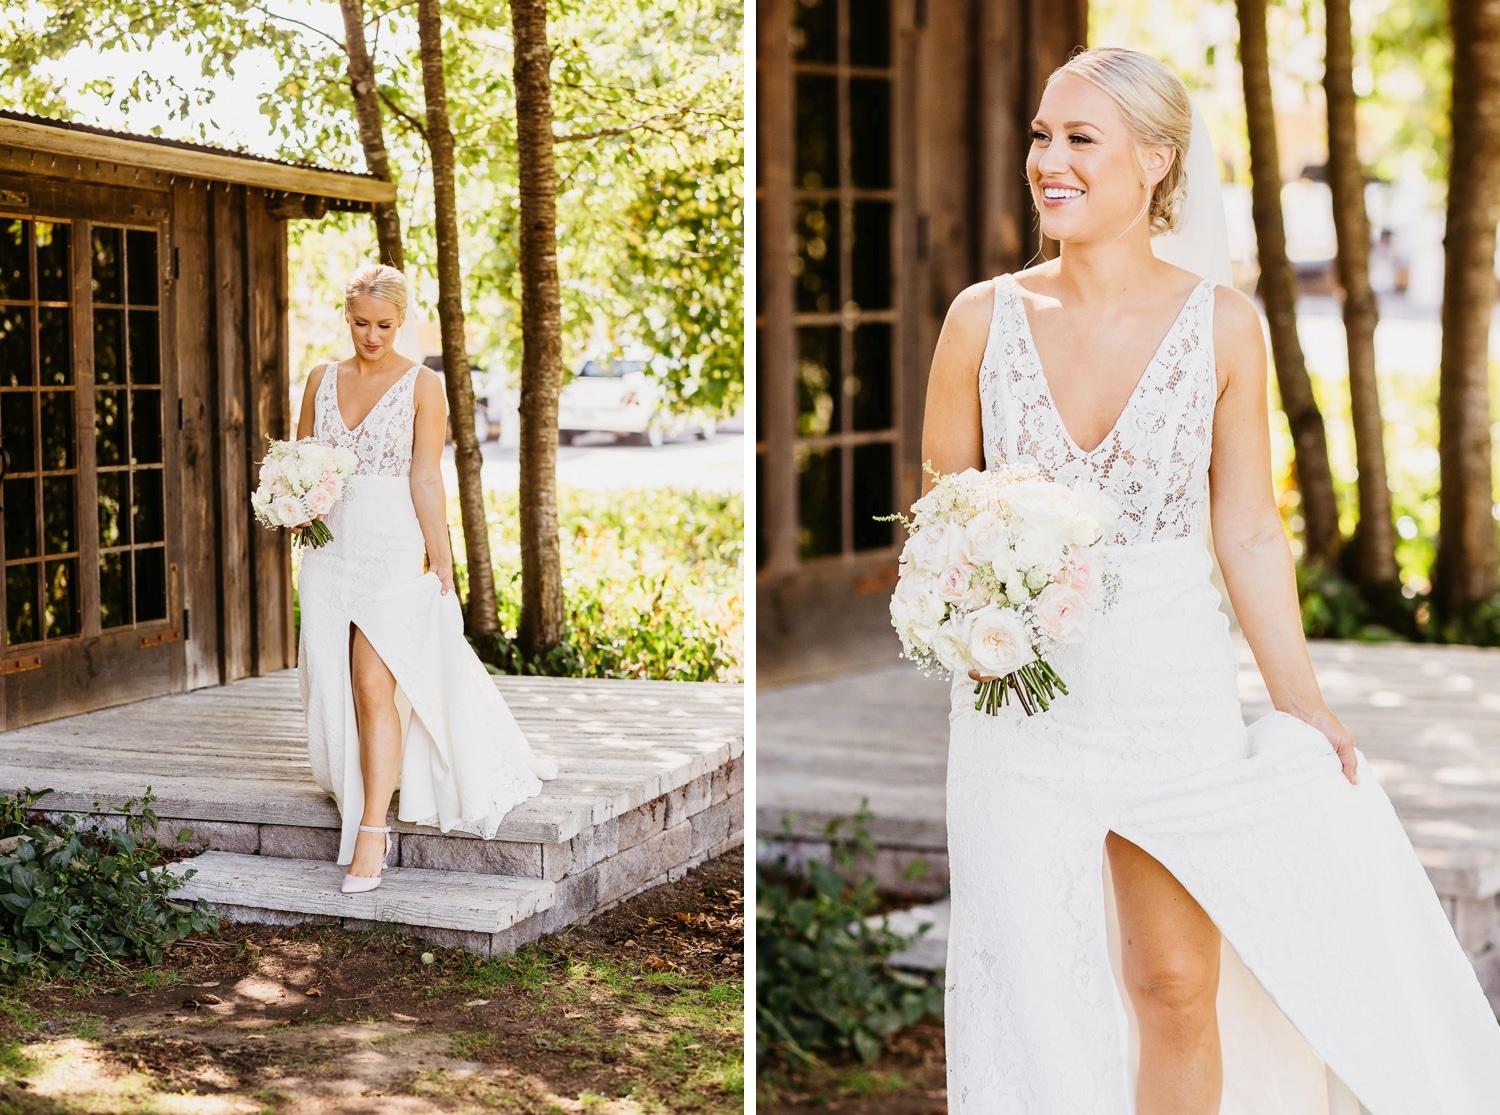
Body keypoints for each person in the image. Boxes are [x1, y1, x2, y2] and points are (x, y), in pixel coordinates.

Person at [920, 46, 1500, 1113]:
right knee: (1034, 983)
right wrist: (969, 615)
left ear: (1156, 161)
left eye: (1079, 138)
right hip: (1019, 711)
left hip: (1171, 703)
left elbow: (1246, 529)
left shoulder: (1223, 324)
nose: (1049, 159)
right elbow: (943, 519)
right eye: (1042, 135)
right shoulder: (979, 320)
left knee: (1174, 982)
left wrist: (1302, 701)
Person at [292, 263, 557, 894]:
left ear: (402, 321)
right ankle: (360, 779)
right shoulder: (319, 378)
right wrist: (292, 508)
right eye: (360, 324)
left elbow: (425, 477)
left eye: (384, 325)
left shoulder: (423, 385)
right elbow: (297, 461)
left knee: (371, 682)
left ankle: (371, 834)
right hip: (329, 552)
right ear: (346, 316)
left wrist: (443, 558)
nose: (372, 336)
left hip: (392, 548)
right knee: (334, 683)